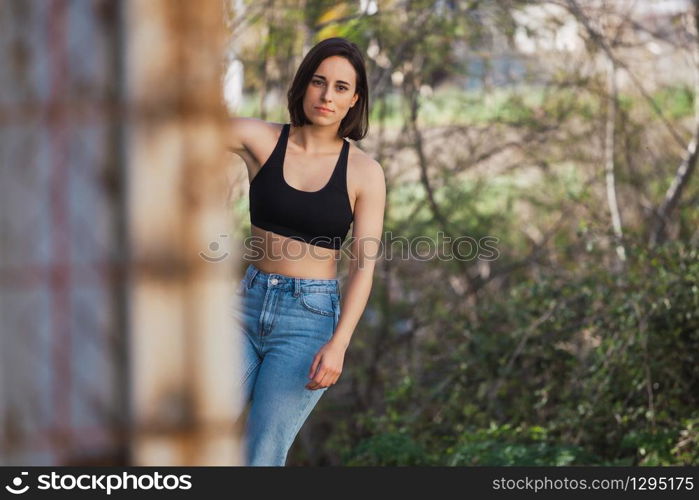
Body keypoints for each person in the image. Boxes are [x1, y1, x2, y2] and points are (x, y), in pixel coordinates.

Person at [227, 37, 386, 466]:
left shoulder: (365, 173)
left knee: (261, 456)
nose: (326, 95)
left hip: (308, 321)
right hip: (243, 307)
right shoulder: (260, 140)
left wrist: (339, 344)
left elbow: (362, 269)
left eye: (340, 87)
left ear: (354, 99)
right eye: (319, 82)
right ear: (303, 86)